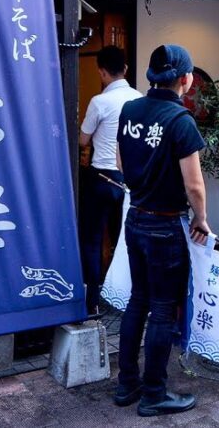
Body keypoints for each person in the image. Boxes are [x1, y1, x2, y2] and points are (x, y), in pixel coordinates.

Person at [113, 44, 210, 417]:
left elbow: (121, 159)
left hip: (135, 217)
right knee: (163, 309)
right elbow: (195, 184)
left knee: (138, 300)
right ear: (185, 79)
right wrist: (200, 218)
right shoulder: (180, 120)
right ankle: (154, 393)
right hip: (166, 224)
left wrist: (141, 185)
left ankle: (126, 385)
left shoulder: (130, 109)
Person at [79, 46, 141, 316]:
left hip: (100, 178)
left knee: (92, 240)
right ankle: (127, 298)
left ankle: (91, 302)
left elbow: (82, 140)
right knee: (124, 240)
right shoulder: (139, 99)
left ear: (102, 72)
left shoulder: (99, 102)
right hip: (128, 180)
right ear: (126, 69)